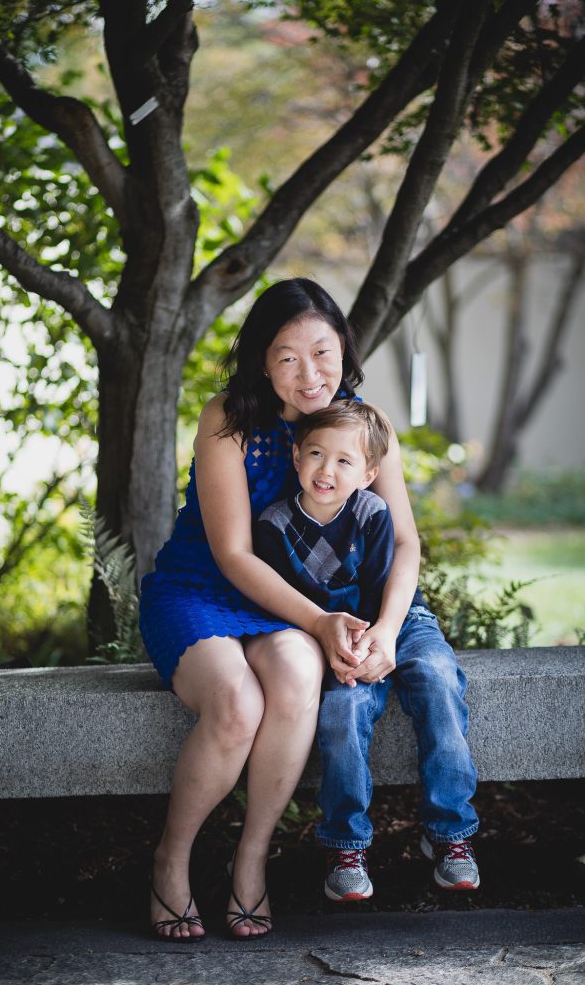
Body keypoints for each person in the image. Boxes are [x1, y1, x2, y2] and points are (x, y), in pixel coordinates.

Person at [139, 277, 422, 940]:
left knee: (296, 675)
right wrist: (319, 620)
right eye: (287, 356)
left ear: (343, 349)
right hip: (202, 591)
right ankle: (169, 861)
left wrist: (382, 628)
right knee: (236, 705)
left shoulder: (363, 427)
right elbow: (233, 554)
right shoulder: (229, 417)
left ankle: (250, 861)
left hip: (290, 611)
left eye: (322, 352)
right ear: (261, 361)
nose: (308, 373)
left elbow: (405, 540)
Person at [254, 400, 480, 901]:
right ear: (295, 456)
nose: (326, 470)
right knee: (342, 709)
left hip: (398, 620)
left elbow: (381, 592)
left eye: (344, 461)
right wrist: (345, 646)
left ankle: (450, 836)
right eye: (315, 453)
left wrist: (381, 636)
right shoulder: (272, 526)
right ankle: (346, 846)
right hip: (332, 636)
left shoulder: (372, 513)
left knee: (440, 682)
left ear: (369, 473)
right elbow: (286, 603)